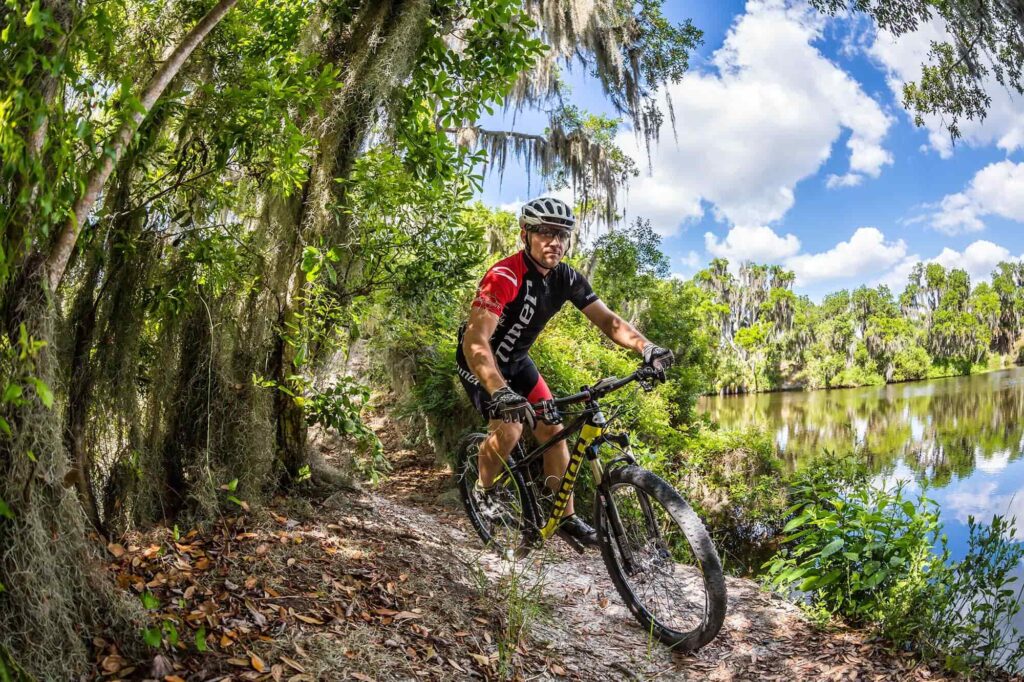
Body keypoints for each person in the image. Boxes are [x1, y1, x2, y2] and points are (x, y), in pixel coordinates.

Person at [456, 196, 674, 548]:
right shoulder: (504, 275)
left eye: (562, 234)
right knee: (509, 429)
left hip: (519, 361)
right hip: (481, 362)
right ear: (525, 234)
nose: (554, 241)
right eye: (544, 232)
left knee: (554, 429)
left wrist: (646, 348)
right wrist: (498, 390)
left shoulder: (567, 277)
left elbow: (609, 320)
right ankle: (483, 492)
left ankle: (565, 517)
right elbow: (476, 340)